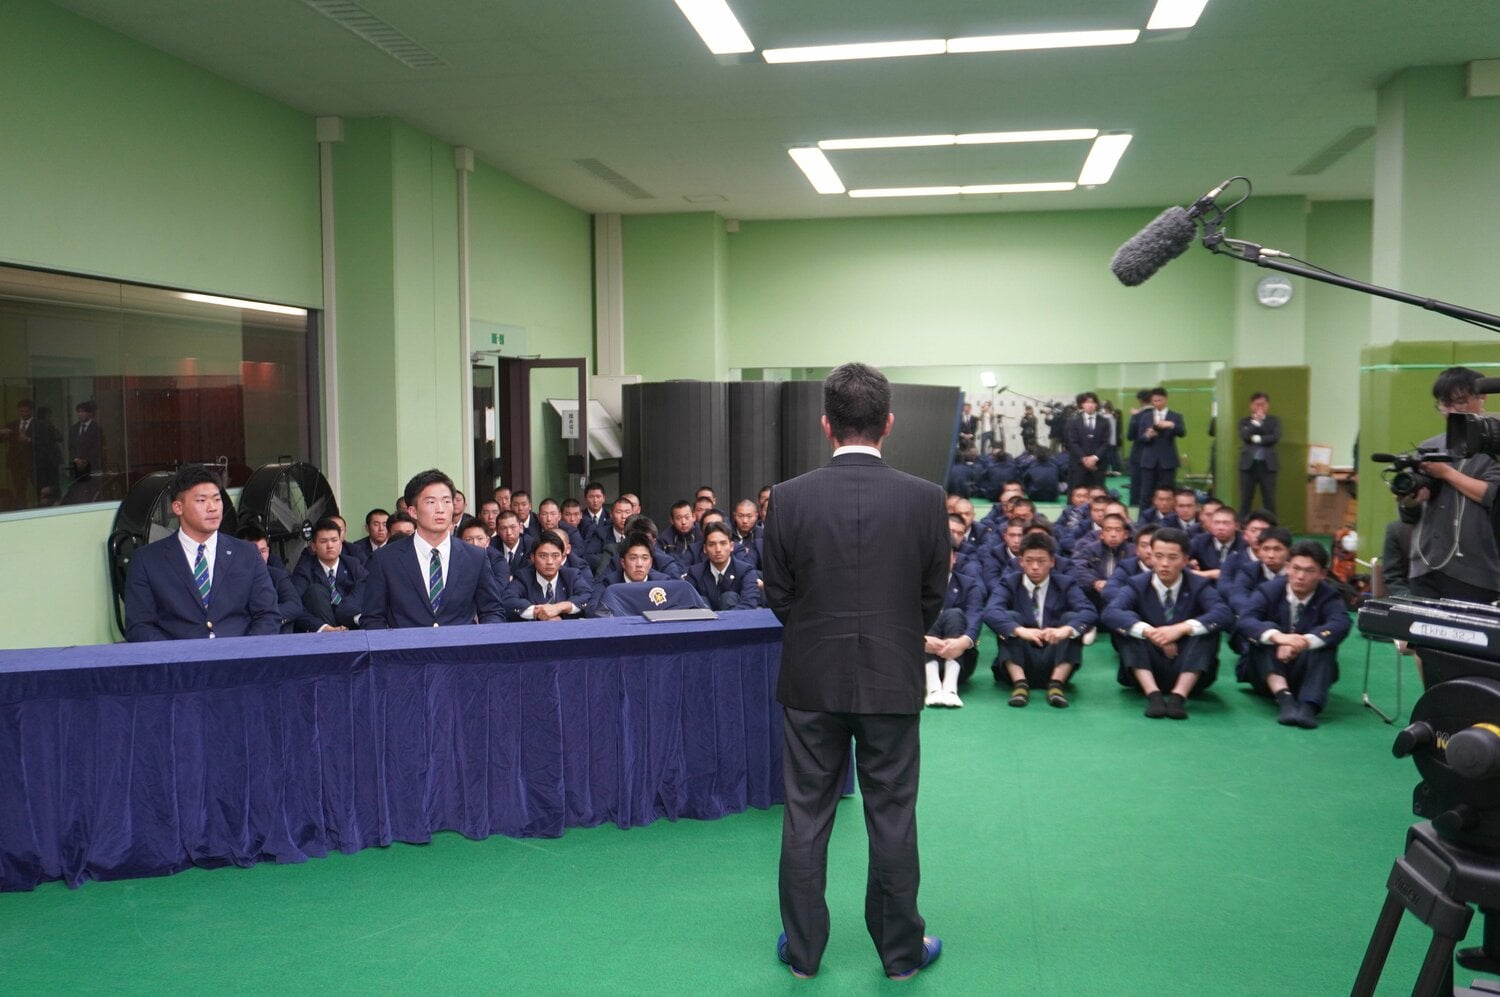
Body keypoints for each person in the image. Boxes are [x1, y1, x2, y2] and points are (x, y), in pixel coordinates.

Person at [760, 362, 947, 981]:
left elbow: (779, 596)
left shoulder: (786, 499)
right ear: (888, 424)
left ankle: (804, 952)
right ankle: (900, 954)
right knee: (892, 814)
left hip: (812, 679)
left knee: (806, 814)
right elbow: (932, 594)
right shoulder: (926, 498)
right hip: (893, 678)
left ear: (825, 425)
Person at [124, 464, 280, 640]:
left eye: (217, 499)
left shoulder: (247, 554)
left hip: (239, 659)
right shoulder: (147, 560)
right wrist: (177, 659)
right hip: (178, 662)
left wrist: (243, 656)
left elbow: (267, 615)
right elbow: (140, 626)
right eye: (201, 500)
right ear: (178, 507)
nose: (212, 507)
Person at [1102, 526, 1232, 720]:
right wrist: (1151, 633)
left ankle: (1178, 697)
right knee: (1128, 626)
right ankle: (1153, 695)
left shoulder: (1198, 584)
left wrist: (1181, 629)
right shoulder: (1137, 583)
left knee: (1206, 630)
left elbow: (1223, 613)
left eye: (1172, 557)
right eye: (1159, 556)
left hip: (1186, 662)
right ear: (1150, 556)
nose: (1164, 564)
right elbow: (1110, 613)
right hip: (1148, 664)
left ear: (1185, 560)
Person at [1400, 366, 1500, 603]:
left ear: (1482, 397)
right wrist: (1410, 501)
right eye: (1445, 404)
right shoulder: (1429, 448)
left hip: (1476, 571)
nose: (1452, 410)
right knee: (1424, 637)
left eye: (1461, 402)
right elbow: (1409, 516)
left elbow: (1491, 495)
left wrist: (1444, 472)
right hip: (1425, 565)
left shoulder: (1494, 448)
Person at [360, 468, 504, 628]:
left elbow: (492, 611)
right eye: (431, 502)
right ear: (412, 511)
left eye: (447, 501)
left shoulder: (475, 557)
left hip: (461, 650)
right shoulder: (385, 559)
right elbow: (372, 618)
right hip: (406, 651)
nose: (440, 509)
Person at [1236, 540, 1351, 728]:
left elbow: (1341, 623)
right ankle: (1285, 701)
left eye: (1309, 571)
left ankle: (1308, 706)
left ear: (1322, 574)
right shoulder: (1269, 590)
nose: (1300, 576)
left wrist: (1303, 642)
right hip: (1263, 673)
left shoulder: (1329, 595)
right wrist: (1278, 638)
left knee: (1324, 644)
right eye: (1296, 568)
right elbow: (1246, 620)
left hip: (1304, 669)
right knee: (1265, 633)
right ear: (1288, 567)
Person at [984, 533, 1096, 708]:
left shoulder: (1065, 583)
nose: (1035, 567)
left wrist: (1065, 630)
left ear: (1052, 561)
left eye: (1041, 561)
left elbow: (1089, 611)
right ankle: (1020, 684)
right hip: (1021, 655)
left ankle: (1056, 685)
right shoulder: (1009, 582)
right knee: (1010, 618)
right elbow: (990, 612)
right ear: (1021, 561)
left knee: (1072, 620)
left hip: (1054, 655)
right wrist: (1020, 630)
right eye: (1029, 560)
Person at [292, 517, 365, 631]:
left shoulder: (352, 564)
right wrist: (323, 627)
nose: (330, 545)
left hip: (352, 624)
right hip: (322, 630)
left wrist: (345, 612)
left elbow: (367, 590)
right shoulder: (304, 570)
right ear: (314, 546)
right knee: (315, 591)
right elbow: (294, 605)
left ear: (340, 543)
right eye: (324, 541)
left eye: (334, 540)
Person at [503, 530, 593, 620]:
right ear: (532, 557)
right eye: (543, 556)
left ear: (562, 557)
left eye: (555, 556)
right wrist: (537, 612)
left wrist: (559, 607)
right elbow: (508, 600)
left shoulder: (571, 575)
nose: (549, 562)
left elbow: (587, 596)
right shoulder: (523, 577)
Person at [1128, 387, 1186, 514]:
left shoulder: (1175, 416)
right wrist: (1148, 435)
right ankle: (1143, 522)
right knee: (1145, 494)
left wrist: (1171, 425)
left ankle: (1169, 521)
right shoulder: (1145, 417)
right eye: (1154, 401)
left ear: (1165, 399)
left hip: (1167, 461)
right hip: (1148, 460)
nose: (1157, 403)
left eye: (1159, 400)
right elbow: (1139, 438)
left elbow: (1182, 432)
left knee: (1168, 494)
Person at [685, 521, 761, 610]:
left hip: (736, 621)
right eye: (712, 544)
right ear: (705, 549)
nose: (718, 549)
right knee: (702, 601)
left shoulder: (745, 571)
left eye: (723, 543)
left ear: (731, 546)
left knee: (729, 597)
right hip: (705, 622)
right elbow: (689, 604)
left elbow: (749, 604)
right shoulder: (695, 573)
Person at [1239, 392, 1281, 514]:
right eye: (1257, 404)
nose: (1260, 408)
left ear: (1268, 405)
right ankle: (1242, 526)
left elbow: (1274, 437)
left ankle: (1271, 527)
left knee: (1269, 498)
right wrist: (1256, 422)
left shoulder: (1274, 421)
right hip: (1248, 466)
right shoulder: (1245, 422)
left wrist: (1257, 438)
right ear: (1251, 405)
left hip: (1268, 466)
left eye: (1263, 404)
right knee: (1245, 498)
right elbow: (1245, 436)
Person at [1064, 392, 1111, 489]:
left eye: (1093, 402)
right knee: (1077, 492)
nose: (1090, 405)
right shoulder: (1073, 421)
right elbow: (1072, 442)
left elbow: (1105, 443)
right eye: (1087, 402)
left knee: (1097, 492)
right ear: (1082, 404)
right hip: (1078, 463)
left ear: (1096, 404)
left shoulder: (1104, 421)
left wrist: (1094, 458)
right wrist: (1084, 458)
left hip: (1098, 464)